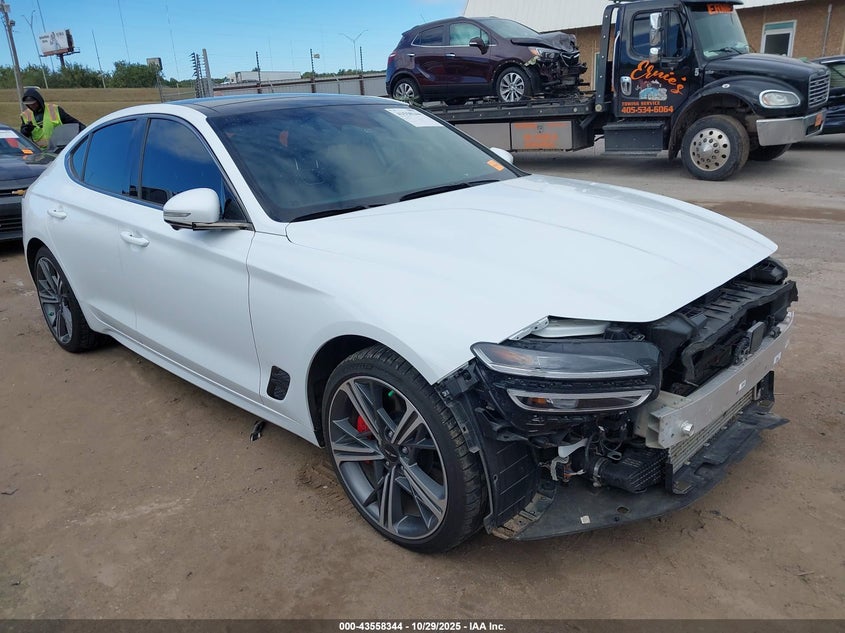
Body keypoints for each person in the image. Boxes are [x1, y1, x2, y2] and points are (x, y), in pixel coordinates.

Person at [19, 88, 84, 149]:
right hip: (39, 153)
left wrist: (86, 131)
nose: (31, 106)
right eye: (29, 104)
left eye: (34, 103)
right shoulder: (25, 115)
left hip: (58, 150)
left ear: (39, 101)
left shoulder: (55, 109)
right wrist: (25, 131)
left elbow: (75, 124)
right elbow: (22, 137)